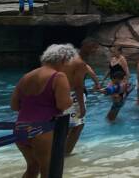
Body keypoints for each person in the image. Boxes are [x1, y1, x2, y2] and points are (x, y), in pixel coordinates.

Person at [12, 44, 75, 178]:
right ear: (63, 59)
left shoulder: (26, 76)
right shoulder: (58, 76)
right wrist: (70, 99)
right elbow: (63, 104)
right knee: (49, 171)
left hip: (21, 128)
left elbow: (14, 106)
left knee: (32, 168)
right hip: (43, 129)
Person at [58, 47, 101, 156]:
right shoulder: (79, 65)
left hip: (62, 96)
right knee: (76, 126)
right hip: (73, 97)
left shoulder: (62, 65)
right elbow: (78, 87)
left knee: (66, 125)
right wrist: (82, 106)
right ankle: (65, 154)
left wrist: (97, 83)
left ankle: (60, 152)